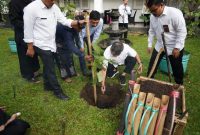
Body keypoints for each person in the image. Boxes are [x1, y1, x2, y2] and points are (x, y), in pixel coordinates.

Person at [23, 0, 85, 100]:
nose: (54, 2)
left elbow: (64, 21)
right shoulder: (31, 9)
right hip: (40, 44)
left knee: (47, 65)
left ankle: (47, 86)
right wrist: (30, 47)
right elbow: (27, 29)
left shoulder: (54, 7)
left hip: (51, 43)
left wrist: (77, 22)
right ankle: (58, 92)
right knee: (51, 68)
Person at [146, 0, 187, 85]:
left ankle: (179, 85)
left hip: (174, 46)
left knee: (177, 67)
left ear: (161, 5)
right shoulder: (152, 16)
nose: (153, 13)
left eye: (154, 10)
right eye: (151, 11)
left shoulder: (174, 13)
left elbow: (182, 31)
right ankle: (149, 81)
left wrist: (177, 47)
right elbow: (151, 30)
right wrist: (149, 44)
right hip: (160, 45)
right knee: (152, 65)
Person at [8, 0, 40, 83]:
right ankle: (28, 75)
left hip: (33, 32)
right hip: (22, 34)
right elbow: (14, 20)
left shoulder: (31, 2)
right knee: (24, 55)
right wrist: (28, 25)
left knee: (34, 53)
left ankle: (35, 72)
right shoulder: (14, 3)